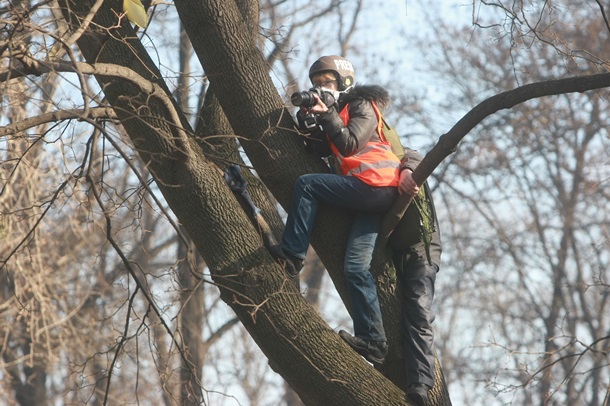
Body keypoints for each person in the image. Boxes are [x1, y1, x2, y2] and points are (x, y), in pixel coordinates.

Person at [280, 55, 415, 363]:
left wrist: (327, 115)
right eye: (316, 83)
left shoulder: (362, 105)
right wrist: (308, 123)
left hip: (377, 185)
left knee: (307, 184)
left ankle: (292, 254)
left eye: (326, 82)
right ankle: (374, 342)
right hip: (369, 195)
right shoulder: (338, 112)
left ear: (344, 83)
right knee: (356, 267)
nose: (320, 87)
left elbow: (351, 143)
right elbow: (323, 149)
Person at [388, 148, 443, 406]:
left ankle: (421, 382)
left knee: (419, 310)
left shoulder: (400, 156)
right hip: (394, 254)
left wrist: (407, 171)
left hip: (421, 251)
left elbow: (414, 156)